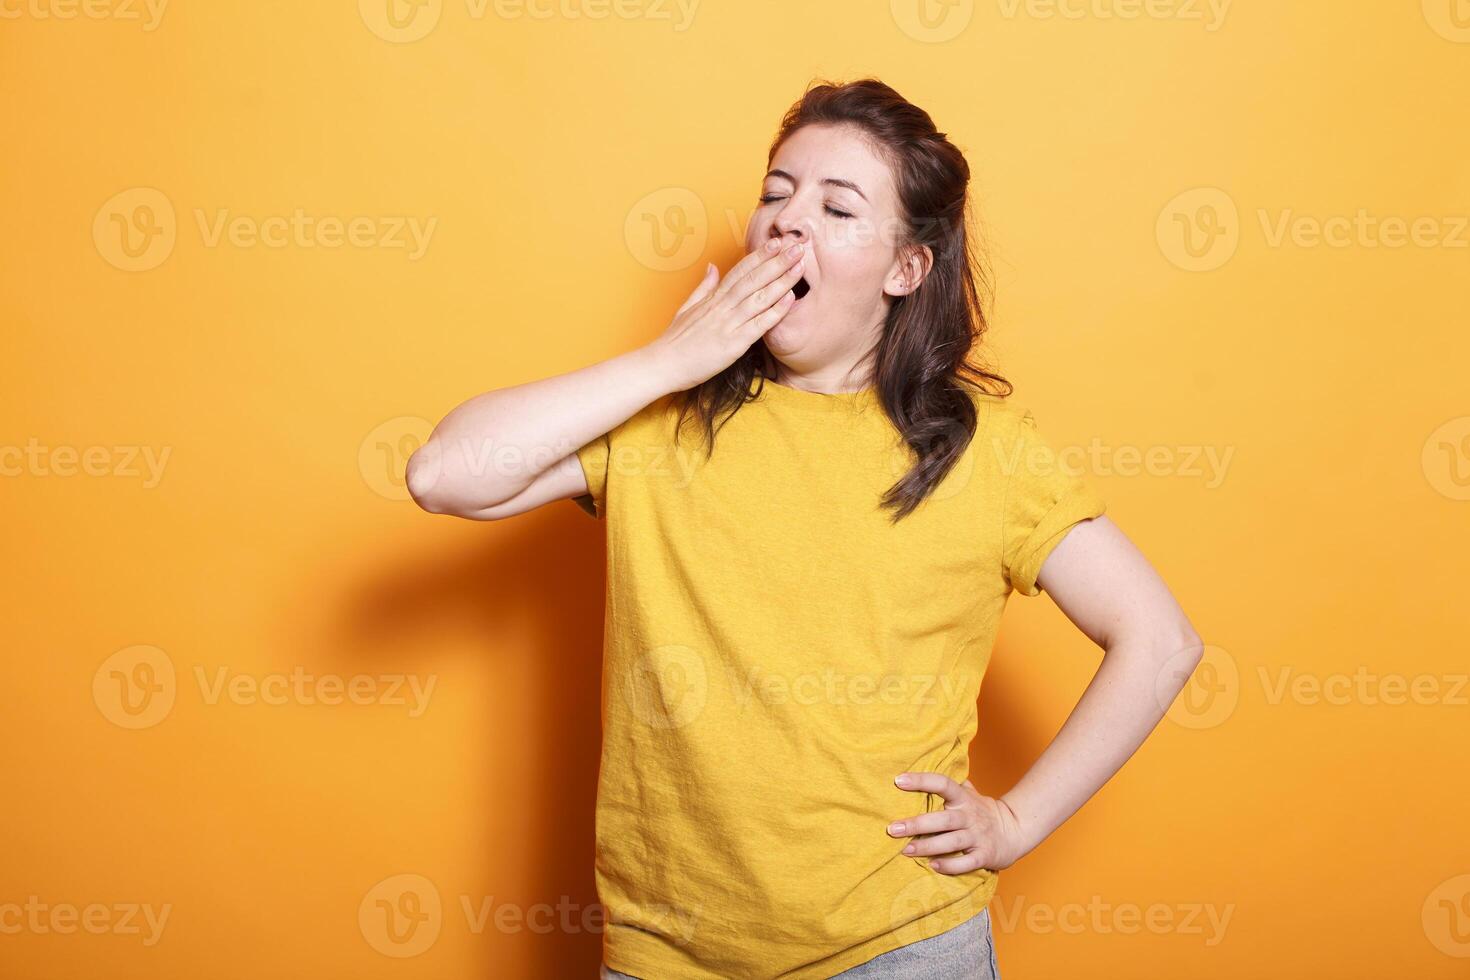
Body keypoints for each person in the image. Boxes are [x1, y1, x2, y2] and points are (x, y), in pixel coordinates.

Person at [406, 77, 1203, 980]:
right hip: (668, 955)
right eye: (777, 193)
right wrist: (670, 360)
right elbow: (442, 476)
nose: (789, 221)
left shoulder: (985, 452)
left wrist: (1015, 822)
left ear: (907, 270)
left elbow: (1160, 640)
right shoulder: (664, 421)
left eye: (837, 206)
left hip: (898, 948)